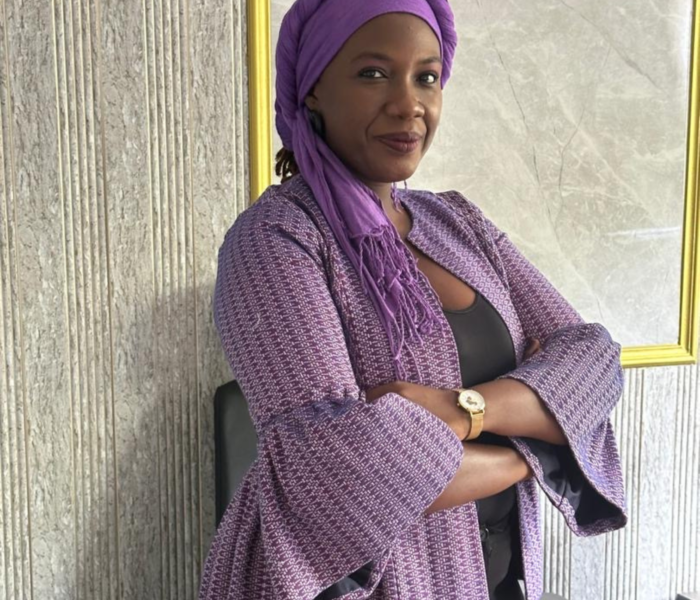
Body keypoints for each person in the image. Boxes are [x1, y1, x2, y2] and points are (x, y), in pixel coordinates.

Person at [199, 1, 628, 598]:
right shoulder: (275, 240)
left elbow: (593, 359)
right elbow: (332, 473)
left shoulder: (458, 221)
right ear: (313, 88)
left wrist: (463, 410)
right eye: (373, 73)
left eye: (426, 77)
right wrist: (536, 449)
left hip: (503, 579)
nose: (409, 105)